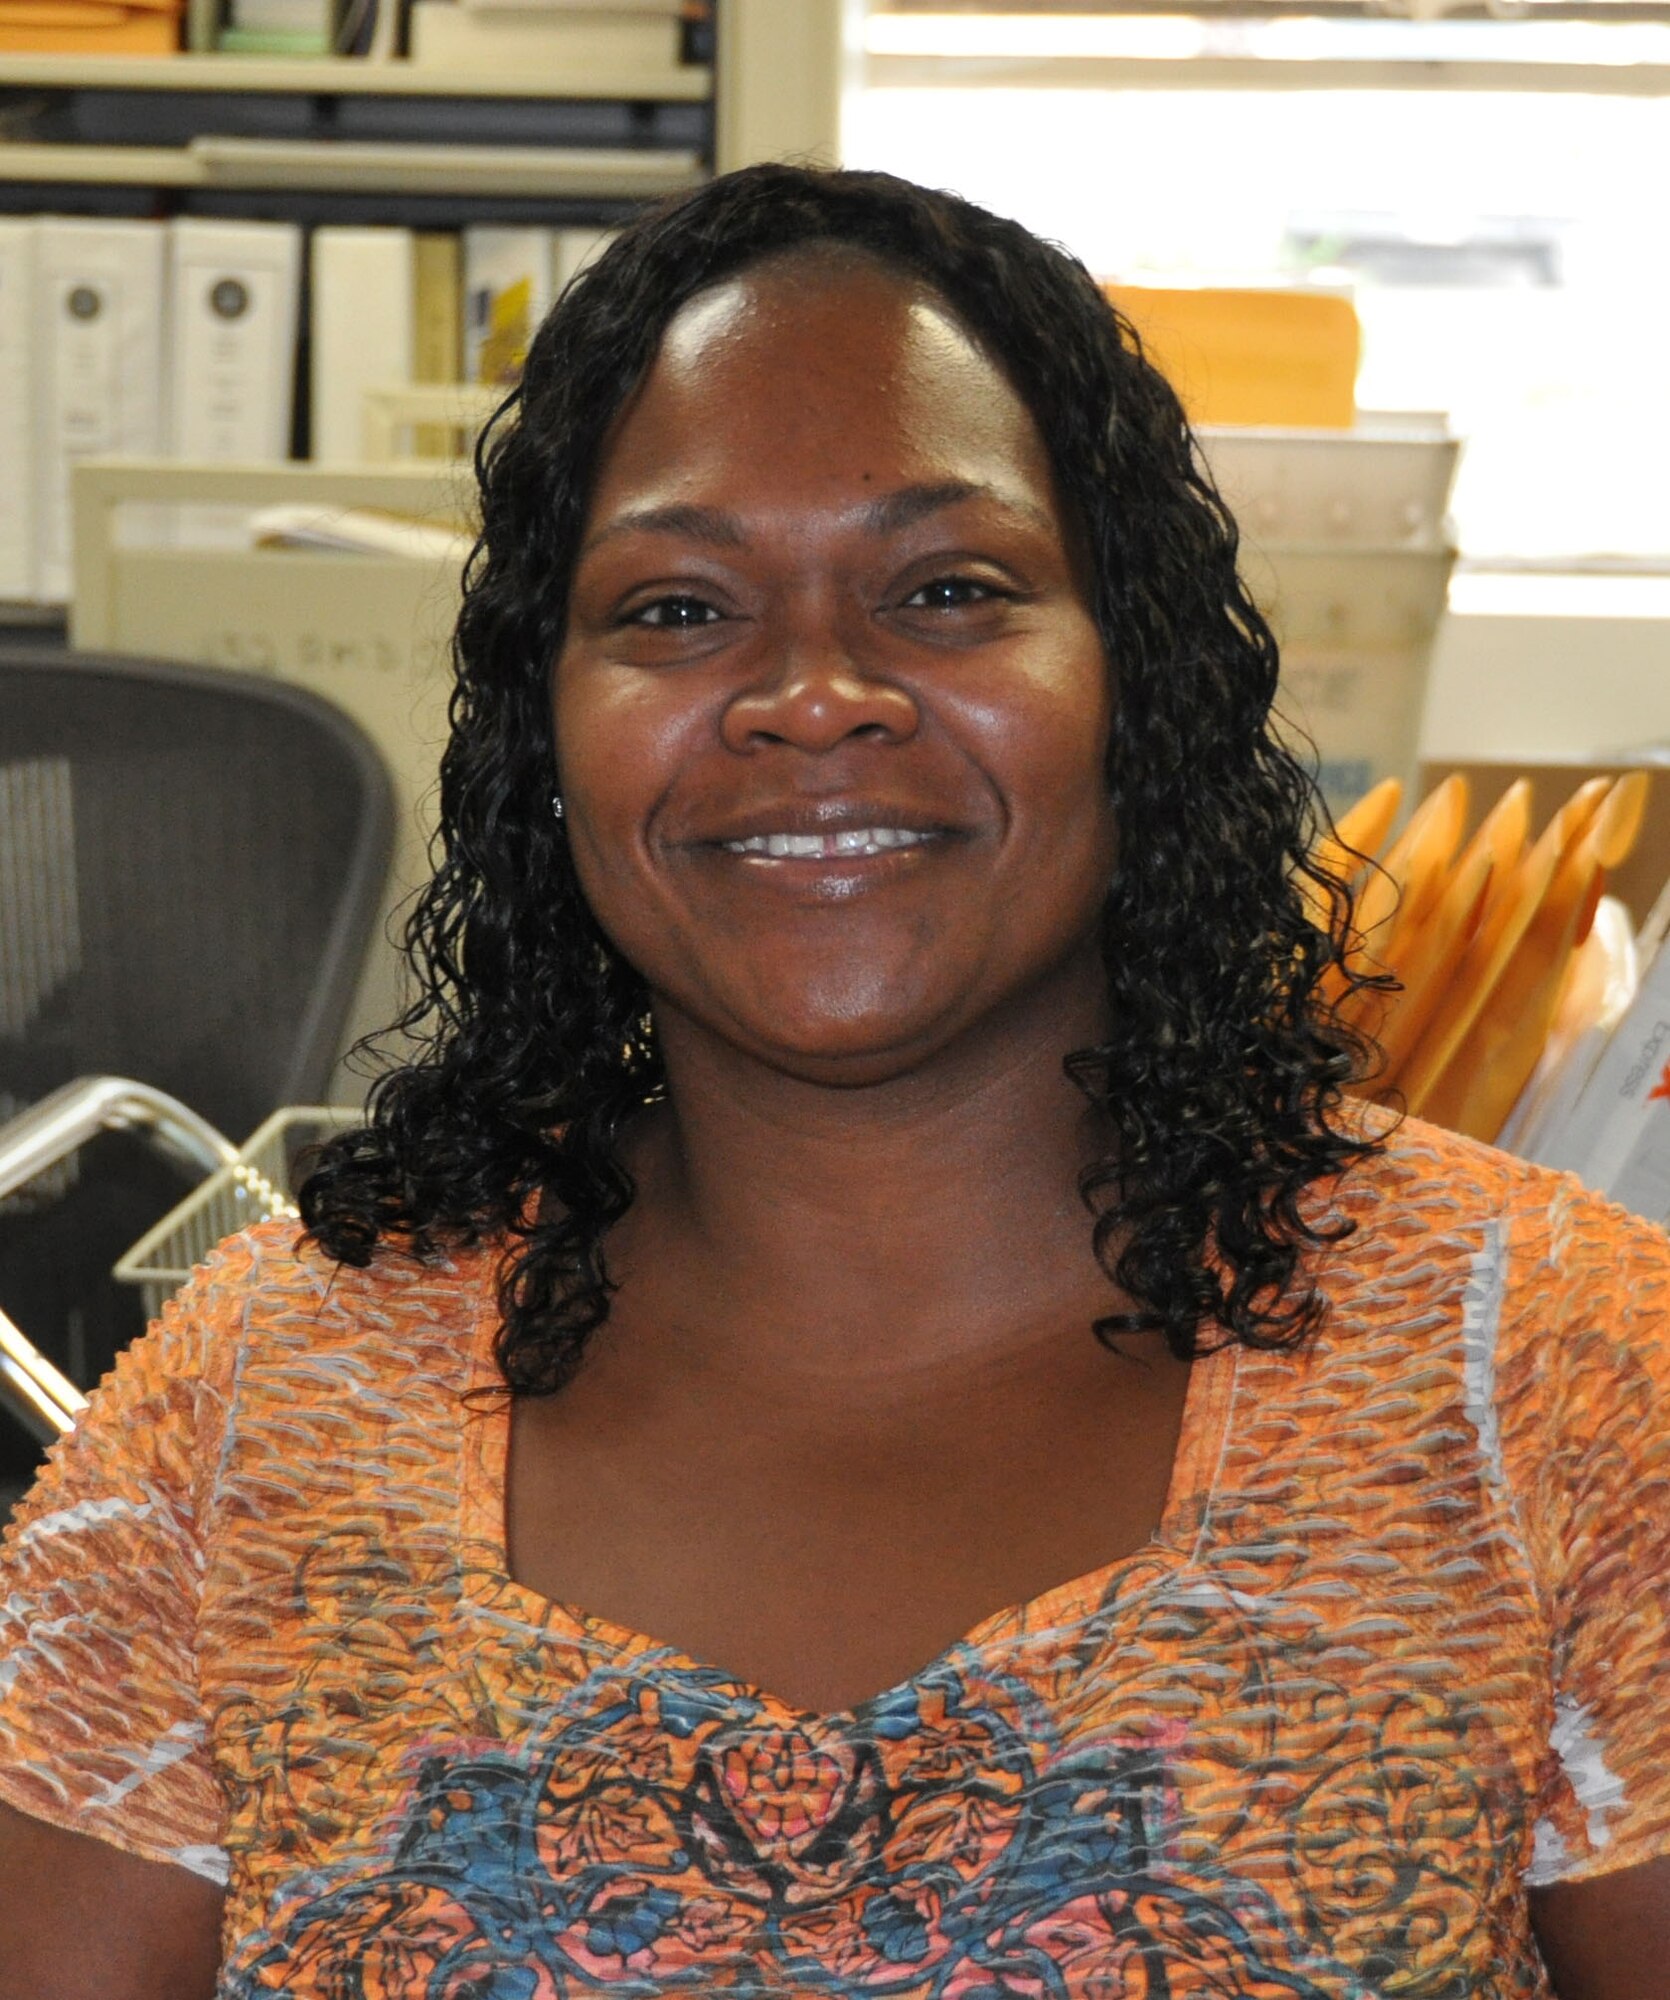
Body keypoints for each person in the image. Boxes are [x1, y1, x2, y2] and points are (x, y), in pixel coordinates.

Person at [1, 163, 1666, 2000]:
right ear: (541, 734)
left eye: (948, 590)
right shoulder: (257, 1402)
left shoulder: (1554, 1371)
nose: (813, 694)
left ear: (1139, 684)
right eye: (675, 610)